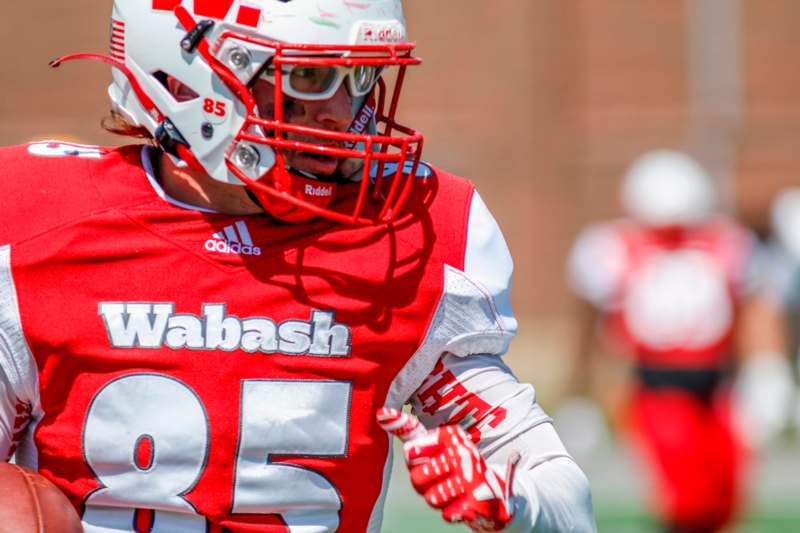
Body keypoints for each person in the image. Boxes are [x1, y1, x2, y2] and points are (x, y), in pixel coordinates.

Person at [0, 1, 595, 532]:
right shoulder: (37, 224)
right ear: (183, 79)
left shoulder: (408, 235)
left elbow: (565, 501)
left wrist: (516, 505)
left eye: (359, 76)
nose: (344, 114)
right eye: (308, 76)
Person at [567, 149, 782, 533]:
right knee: (685, 498)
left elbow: (755, 306)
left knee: (726, 494)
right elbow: (589, 323)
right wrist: (581, 391)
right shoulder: (614, 247)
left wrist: (767, 369)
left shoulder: (726, 243)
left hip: (717, 384)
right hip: (657, 384)